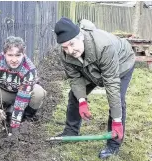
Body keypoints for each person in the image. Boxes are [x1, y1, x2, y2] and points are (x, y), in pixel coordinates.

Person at [54, 17, 135, 159]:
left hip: (121, 63)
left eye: (72, 44)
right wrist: (82, 101)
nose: (70, 50)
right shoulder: (66, 54)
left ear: (81, 37)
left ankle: (114, 142)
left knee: (117, 101)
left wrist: (117, 120)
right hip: (91, 67)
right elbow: (75, 78)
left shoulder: (103, 45)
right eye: (65, 47)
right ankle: (71, 131)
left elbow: (111, 84)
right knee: (74, 95)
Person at [0, 36, 46, 135]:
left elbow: (22, 99)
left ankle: (26, 117)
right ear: (4, 54)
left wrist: (14, 127)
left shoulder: (29, 69)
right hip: (4, 90)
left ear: (24, 54)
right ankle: (5, 111)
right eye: (10, 55)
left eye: (18, 55)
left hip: (24, 93)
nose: (14, 59)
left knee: (38, 93)